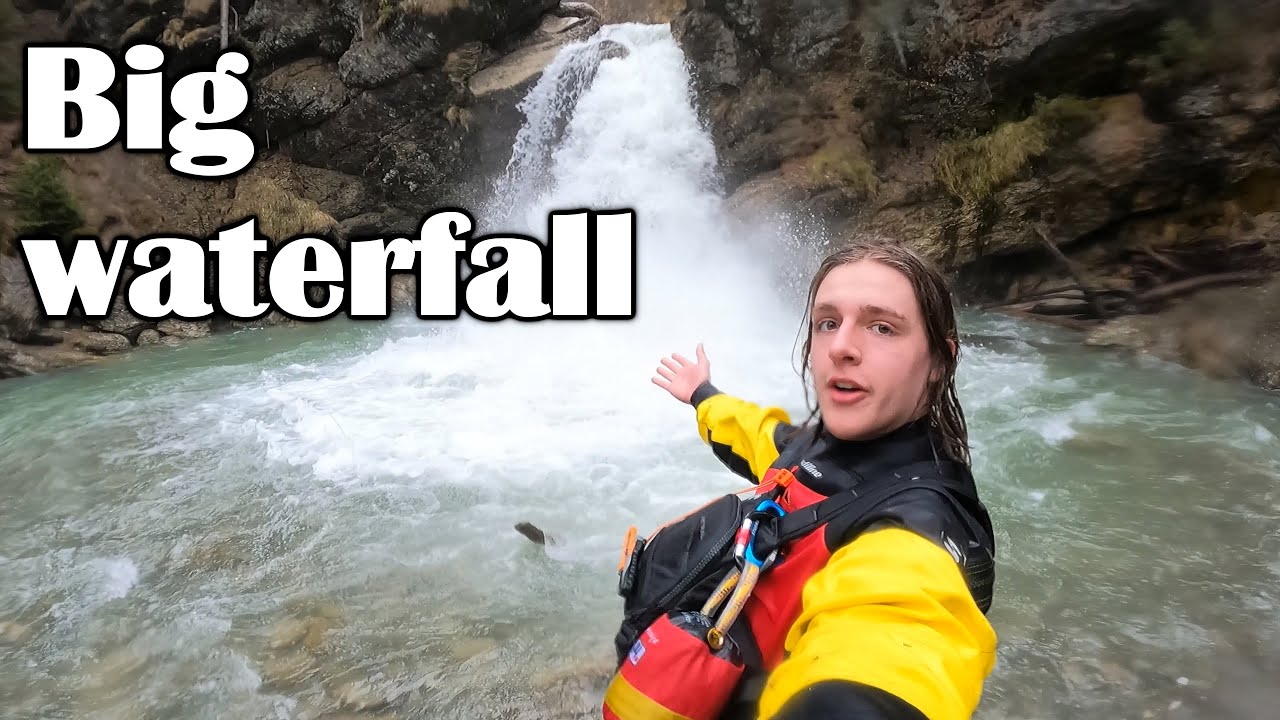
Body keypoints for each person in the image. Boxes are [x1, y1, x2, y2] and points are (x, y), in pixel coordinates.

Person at [648, 239, 998, 720]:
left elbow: (895, 643)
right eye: (827, 323)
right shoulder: (807, 449)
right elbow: (753, 432)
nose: (841, 347)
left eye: (882, 327)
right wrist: (701, 394)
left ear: (940, 361)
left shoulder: (920, 529)